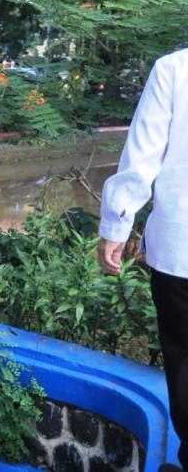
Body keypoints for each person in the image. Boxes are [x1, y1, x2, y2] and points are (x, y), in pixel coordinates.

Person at [97, 48, 188, 471]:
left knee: (185, 362)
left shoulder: (174, 69)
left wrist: (115, 227)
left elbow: (143, 156)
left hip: (180, 254)